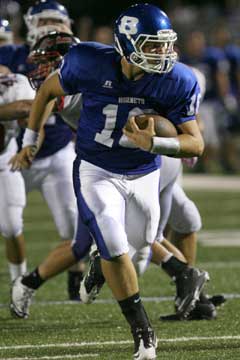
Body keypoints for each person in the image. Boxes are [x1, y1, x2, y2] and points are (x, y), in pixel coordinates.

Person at [13, 4, 209, 359]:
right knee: (115, 246)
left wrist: (157, 143)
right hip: (95, 167)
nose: (162, 52)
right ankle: (144, 335)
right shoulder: (89, 61)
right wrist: (30, 141)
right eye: (152, 45)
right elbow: (46, 92)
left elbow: (196, 142)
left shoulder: (177, 79)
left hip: (144, 171)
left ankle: (98, 260)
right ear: (127, 44)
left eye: (165, 44)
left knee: (140, 249)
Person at [0, 1, 82, 300]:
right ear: (31, 24)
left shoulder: (77, 55)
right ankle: (18, 279)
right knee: (8, 223)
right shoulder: (13, 56)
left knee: (72, 225)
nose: (51, 26)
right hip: (12, 155)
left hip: (58, 151)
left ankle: (75, 272)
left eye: (56, 20)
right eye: (44, 19)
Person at [0, 72, 35, 281]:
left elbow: (30, 108)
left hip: (4, 158)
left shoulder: (13, 83)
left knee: (12, 226)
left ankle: (19, 284)